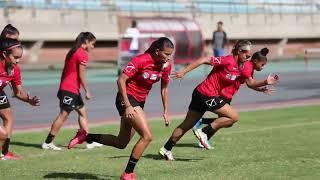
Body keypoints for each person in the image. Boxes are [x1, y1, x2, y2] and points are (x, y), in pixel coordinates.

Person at [67, 37, 174, 180]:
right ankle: (128, 174)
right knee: (147, 136)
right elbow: (121, 80)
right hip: (126, 99)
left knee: (121, 143)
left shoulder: (166, 66)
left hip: (139, 103)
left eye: (170, 55)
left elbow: (165, 88)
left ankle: (85, 136)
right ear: (157, 51)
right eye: (166, 54)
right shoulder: (141, 60)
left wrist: (166, 110)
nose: (168, 58)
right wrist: (128, 106)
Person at [159, 40, 279, 160]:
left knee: (187, 125)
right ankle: (204, 132)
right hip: (206, 94)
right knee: (234, 117)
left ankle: (166, 149)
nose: (248, 58)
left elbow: (250, 82)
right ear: (239, 51)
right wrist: (183, 72)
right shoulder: (227, 60)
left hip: (201, 93)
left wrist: (264, 85)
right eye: (246, 55)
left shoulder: (241, 66)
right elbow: (204, 60)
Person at [193, 48, 277, 149]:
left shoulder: (249, 67)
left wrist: (261, 89)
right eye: (262, 65)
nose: (263, 67)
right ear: (255, 61)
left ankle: (203, 129)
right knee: (227, 120)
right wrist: (265, 82)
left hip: (226, 95)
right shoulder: (247, 67)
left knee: (225, 122)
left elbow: (249, 84)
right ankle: (203, 131)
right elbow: (251, 83)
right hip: (223, 94)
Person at [42, 32, 102, 150]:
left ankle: (89, 142)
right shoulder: (82, 54)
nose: (93, 47)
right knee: (63, 115)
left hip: (70, 88)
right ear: (86, 42)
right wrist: (87, 90)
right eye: (93, 44)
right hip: (69, 89)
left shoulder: (73, 51)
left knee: (82, 113)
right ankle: (48, 142)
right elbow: (81, 75)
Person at [0, 38, 40, 160]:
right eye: (15, 57)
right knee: (2, 134)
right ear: (4, 55)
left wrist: (29, 100)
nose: (17, 61)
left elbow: (17, 93)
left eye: (19, 58)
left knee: (9, 117)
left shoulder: (14, 70)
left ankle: (3, 152)